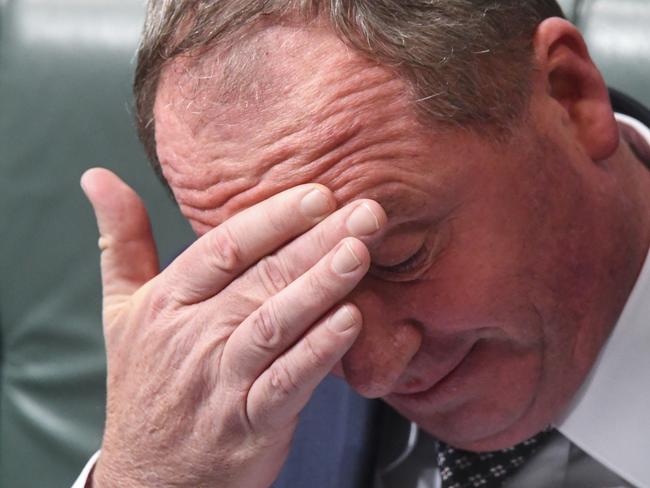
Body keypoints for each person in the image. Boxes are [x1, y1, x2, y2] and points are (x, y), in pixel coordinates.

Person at [73, 1, 650, 487]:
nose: (372, 373)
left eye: (402, 258)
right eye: (299, 288)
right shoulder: (231, 339)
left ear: (568, 96)